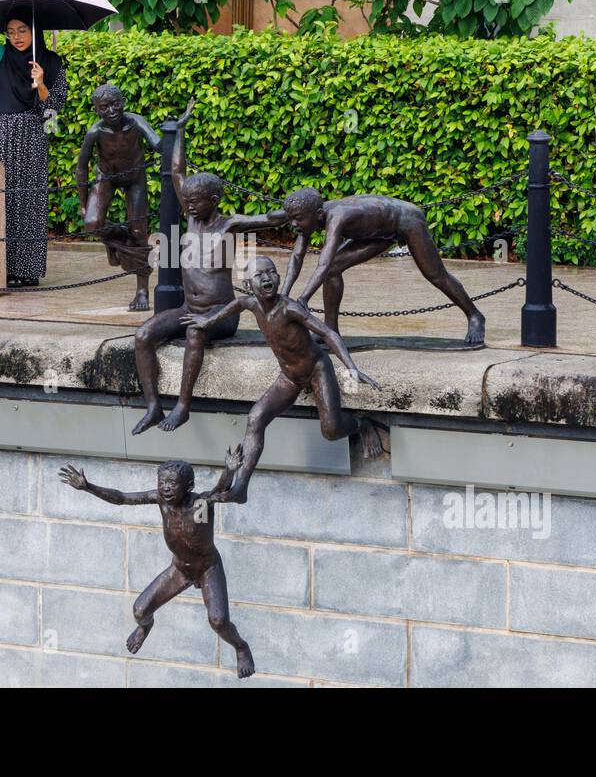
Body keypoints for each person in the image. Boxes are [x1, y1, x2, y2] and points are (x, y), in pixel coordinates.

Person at [182, 255, 383, 505]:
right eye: (259, 275)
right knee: (255, 417)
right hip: (289, 376)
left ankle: (361, 424)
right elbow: (231, 307)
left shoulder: (289, 308)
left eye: (272, 272)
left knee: (331, 430)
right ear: (248, 286)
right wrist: (206, 320)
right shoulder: (250, 303)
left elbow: (328, 333)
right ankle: (241, 486)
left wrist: (351, 368)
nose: (267, 278)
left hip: (316, 369)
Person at [131, 117, 287, 434]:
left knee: (195, 334)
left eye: (193, 202)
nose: (186, 205)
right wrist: (182, 131)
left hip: (221, 315)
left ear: (213, 202)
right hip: (190, 309)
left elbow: (269, 218)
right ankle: (152, 406)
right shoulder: (191, 220)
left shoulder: (227, 225)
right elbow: (177, 172)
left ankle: (183, 407)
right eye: (185, 200)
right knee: (143, 335)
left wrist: (298, 210)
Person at [58, 450, 256, 678]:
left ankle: (241, 646)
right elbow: (122, 498)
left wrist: (229, 471)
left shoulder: (199, 504)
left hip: (207, 568)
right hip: (180, 568)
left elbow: (219, 492)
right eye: (162, 482)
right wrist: (89, 487)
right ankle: (145, 627)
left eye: (172, 483)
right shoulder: (160, 500)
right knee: (140, 610)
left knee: (219, 622)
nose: (166, 488)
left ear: (188, 485)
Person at [279, 187, 487, 344]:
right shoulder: (308, 216)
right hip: (375, 232)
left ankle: (475, 315)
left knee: (436, 275)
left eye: (297, 220)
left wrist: (304, 299)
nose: (294, 225)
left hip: (405, 221)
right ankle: (330, 329)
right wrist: (284, 294)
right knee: (334, 269)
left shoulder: (337, 216)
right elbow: (297, 257)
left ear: (317, 214)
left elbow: (323, 261)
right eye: (292, 220)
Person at [0, 12, 68, 287]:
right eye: (11, 31)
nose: (17, 37)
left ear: (36, 31)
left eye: (23, 30)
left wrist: (42, 85)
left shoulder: (53, 63)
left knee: (28, 203)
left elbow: (52, 121)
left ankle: (27, 270)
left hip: (32, 140)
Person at [77, 83, 159, 311]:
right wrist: (84, 204)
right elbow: (81, 168)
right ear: (97, 110)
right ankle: (119, 242)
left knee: (139, 232)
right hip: (107, 177)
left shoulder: (135, 122)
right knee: (92, 223)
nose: (112, 111)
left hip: (135, 179)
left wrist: (176, 131)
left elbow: (157, 144)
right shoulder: (95, 132)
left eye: (115, 104)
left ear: (123, 102)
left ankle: (142, 290)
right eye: (105, 107)